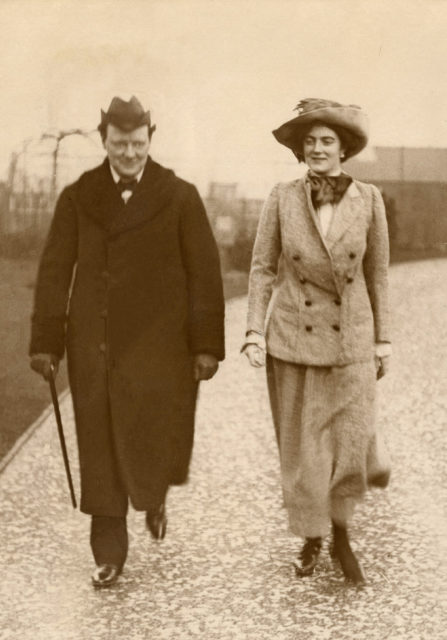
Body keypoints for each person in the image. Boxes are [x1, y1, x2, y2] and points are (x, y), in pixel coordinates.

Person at [30, 95, 225, 587]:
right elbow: (55, 270)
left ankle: (153, 494)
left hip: (160, 343)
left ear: (149, 140)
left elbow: (204, 273)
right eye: (120, 144)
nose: (129, 154)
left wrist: (205, 344)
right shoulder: (79, 196)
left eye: (138, 144)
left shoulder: (179, 195)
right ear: (104, 142)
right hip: (94, 342)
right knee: (98, 441)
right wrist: (46, 342)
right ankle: (109, 550)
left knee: (151, 433)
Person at [243, 98, 391, 584]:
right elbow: (263, 268)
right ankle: (311, 537)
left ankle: (342, 536)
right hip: (294, 339)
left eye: (327, 141)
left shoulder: (369, 200)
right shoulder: (282, 197)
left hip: (351, 338)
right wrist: (251, 331)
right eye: (310, 142)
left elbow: (379, 275)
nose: (318, 149)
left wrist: (383, 340)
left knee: (348, 443)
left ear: (343, 148)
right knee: (307, 450)